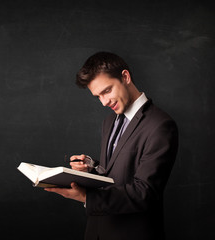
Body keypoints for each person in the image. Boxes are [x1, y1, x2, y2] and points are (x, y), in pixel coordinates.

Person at [44, 52, 179, 240]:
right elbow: (117, 173)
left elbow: (145, 192)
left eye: (107, 91)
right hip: (97, 231)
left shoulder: (160, 125)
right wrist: (91, 167)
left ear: (125, 77)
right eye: (98, 96)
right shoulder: (109, 121)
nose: (104, 102)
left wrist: (86, 197)